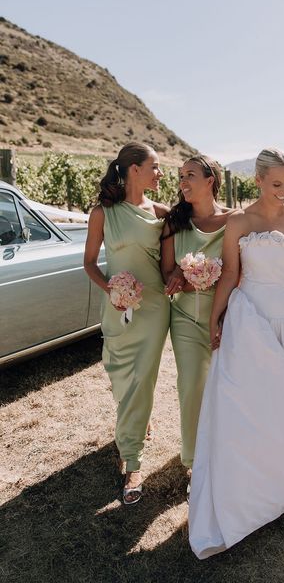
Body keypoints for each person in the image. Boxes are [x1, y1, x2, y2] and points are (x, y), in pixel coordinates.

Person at [188, 148, 284, 559]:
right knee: (245, 403)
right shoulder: (238, 222)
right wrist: (216, 318)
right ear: (259, 180)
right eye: (276, 183)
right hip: (249, 321)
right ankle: (247, 483)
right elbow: (230, 274)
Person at [84, 142, 170, 505]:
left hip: (152, 310)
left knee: (142, 379)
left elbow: (208, 219)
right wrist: (111, 289)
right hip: (116, 310)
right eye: (154, 166)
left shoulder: (163, 213)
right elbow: (90, 263)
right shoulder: (103, 212)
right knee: (121, 375)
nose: (160, 174)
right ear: (134, 169)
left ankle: (131, 461)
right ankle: (137, 419)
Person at [160, 155, 233, 474]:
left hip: (229, 320)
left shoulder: (236, 220)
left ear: (210, 180)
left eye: (190, 174)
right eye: (180, 176)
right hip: (186, 320)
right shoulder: (175, 222)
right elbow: (166, 275)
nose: (183, 182)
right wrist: (182, 277)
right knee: (190, 387)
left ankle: (226, 453)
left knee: (228, 389)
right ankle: (193, 460)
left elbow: (242, 270)